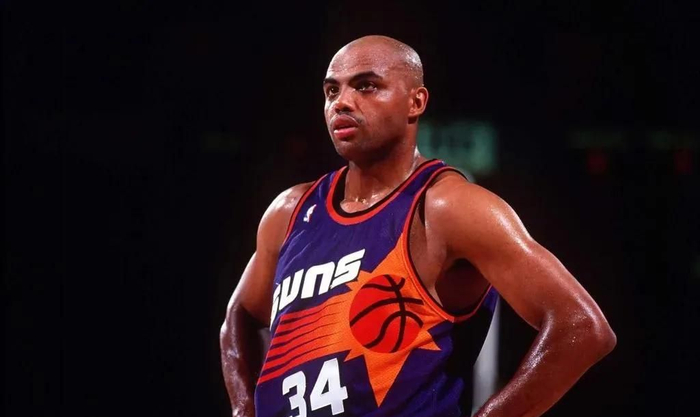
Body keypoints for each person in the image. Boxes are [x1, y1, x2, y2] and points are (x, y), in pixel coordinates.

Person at [220, 35, 616, 417]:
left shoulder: (448, 208)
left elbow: (582, 327)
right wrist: (243, 408)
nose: (342, 102)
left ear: (416, 101)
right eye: (332, 90)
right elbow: (241, 314)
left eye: (366, 86)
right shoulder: (290, 211)